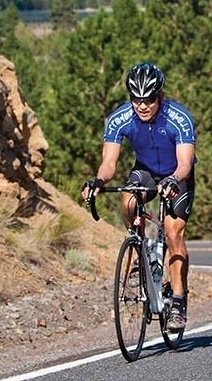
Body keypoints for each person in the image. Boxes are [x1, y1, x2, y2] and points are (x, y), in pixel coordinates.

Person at [81, 62, 196, 330]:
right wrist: (98, 181)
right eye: (136, 99)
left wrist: (174, 179)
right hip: (145, 170)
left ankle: (178, 301)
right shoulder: (119, 118)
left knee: (173, 233)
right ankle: (139, 248)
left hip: (176, 175)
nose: (142, 106)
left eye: (149, 99)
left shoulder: (179, 117)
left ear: (160, 96)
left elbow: (185, 164)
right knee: (128, 199)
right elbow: (109, 163)